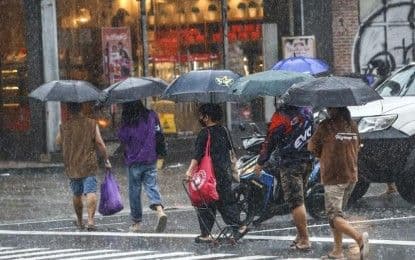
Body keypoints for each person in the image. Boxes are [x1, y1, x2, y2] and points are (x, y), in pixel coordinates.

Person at [308, 107, 369, 260]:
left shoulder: (326, 126)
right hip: (351, 175)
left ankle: (359, 239)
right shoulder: (352, 125)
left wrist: (323, 152)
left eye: (330, 107)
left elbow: (312, 147)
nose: (327, 109)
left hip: (334, 177)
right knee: (338, 215)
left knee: (334, 216)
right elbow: (358, 146)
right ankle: (337, 251)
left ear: (335, 109)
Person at [254, 102, 313, 250]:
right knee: (301, 198)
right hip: (307, 160)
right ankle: (300, 236)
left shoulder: (281, 117)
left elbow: (270, 141)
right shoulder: (307, 111)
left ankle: (305, 240)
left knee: (295, 202)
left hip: (290, 163)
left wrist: (260, 162)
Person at [185, 103, 248, 243]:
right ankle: (239, 226)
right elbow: (231, 150)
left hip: (209, 174)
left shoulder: (204, 133)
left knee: (205, 202)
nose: (199, 118)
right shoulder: (224, 130)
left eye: (201, 115)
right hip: (224, 172)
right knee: (225, 201)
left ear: (206, 117)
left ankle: (206, 234)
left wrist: (190, 171)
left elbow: (197, 155)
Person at [56, 102, 112, 231]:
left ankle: (80, 221)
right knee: (90, 191)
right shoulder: (91, 123)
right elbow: (99, 143)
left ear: (69, 110)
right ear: (81, 108)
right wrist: (106, 158)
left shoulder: (65, 126)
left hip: (72, 164)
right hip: (88, 163)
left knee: (77, 193)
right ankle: (91, 221)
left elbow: (58, 142)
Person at [117, 100, 167, 233]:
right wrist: (161, 152)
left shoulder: (128, 120)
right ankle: (159, 210)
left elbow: (122, 138)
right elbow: (159, 134)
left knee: (134, 192)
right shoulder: (151, 115)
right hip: (150, 158)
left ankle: (136, 222)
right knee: (151, 186)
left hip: (134, 161)